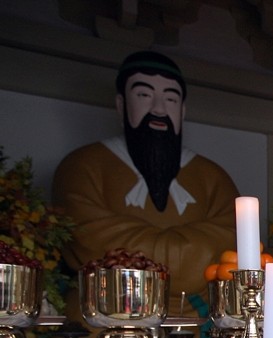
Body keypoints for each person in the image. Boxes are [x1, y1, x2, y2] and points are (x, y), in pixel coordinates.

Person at [53, 50, 239, 317]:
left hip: (198, 319)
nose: (159, 109)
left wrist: (140, 250)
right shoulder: (82, 166)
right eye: (144, 95)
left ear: (183, 110)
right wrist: (191, 252)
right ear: (121, 104)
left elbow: (232, 250)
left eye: (171, 98)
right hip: (107, 318)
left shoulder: (213, 177)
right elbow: (93, 247)